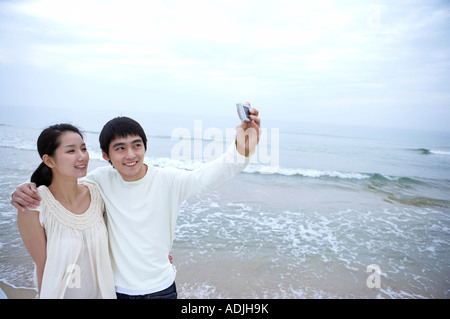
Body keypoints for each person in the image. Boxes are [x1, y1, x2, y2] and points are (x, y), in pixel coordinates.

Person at [12, 104, 261, 299]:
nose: (130, 155)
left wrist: (241, 148)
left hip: (161, 289)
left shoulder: (167, 180)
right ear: (105, 155)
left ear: (145, 147)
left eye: (136, 145)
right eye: (120, 148)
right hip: (115, 291)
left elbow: (207, 178)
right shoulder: (98, 182)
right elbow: (62, 185)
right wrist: (24, 188)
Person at [16, 124, 116, 298]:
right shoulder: (34, 204)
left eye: (83, 149)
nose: (82, 157)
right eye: (71, 151)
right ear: (49, 161)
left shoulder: (97, 193)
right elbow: (44, 268)